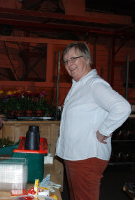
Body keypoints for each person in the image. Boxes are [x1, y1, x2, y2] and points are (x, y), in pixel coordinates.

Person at [55, 42, 131, 200]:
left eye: (74, 58)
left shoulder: (94, 85)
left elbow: (122, 107)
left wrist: (104, 130)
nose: (69, 64)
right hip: (76, 156)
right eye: (66, 60)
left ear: (88, 59)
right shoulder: (80, 85)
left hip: (87, 156)